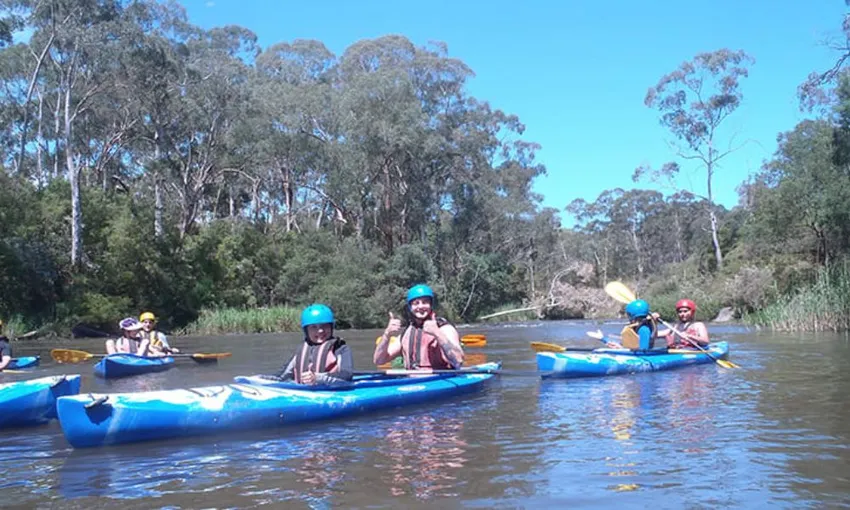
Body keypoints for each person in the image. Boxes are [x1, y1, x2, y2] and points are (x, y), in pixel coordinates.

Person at [373, 284, 464, 370]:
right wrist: (387, 334)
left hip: (439, 381)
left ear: (431, 305)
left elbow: (458, 361)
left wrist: (437, 333)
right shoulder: (407, 333)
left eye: (425, 302)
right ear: (410, 307)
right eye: (416, 303)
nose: (420, 306)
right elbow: (379, 361)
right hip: (411, 382)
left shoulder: (445, 329)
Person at [266, 304, 353, 386]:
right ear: (306, 330)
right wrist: (262, 380)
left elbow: (347, 376)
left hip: (330, 392)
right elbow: (281, 376)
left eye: (325, 326)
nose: (320, 331)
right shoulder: (302, 350)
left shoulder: (340, 348)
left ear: (331, 327)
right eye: (314, 327)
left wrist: (317, 378)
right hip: (303, 392)